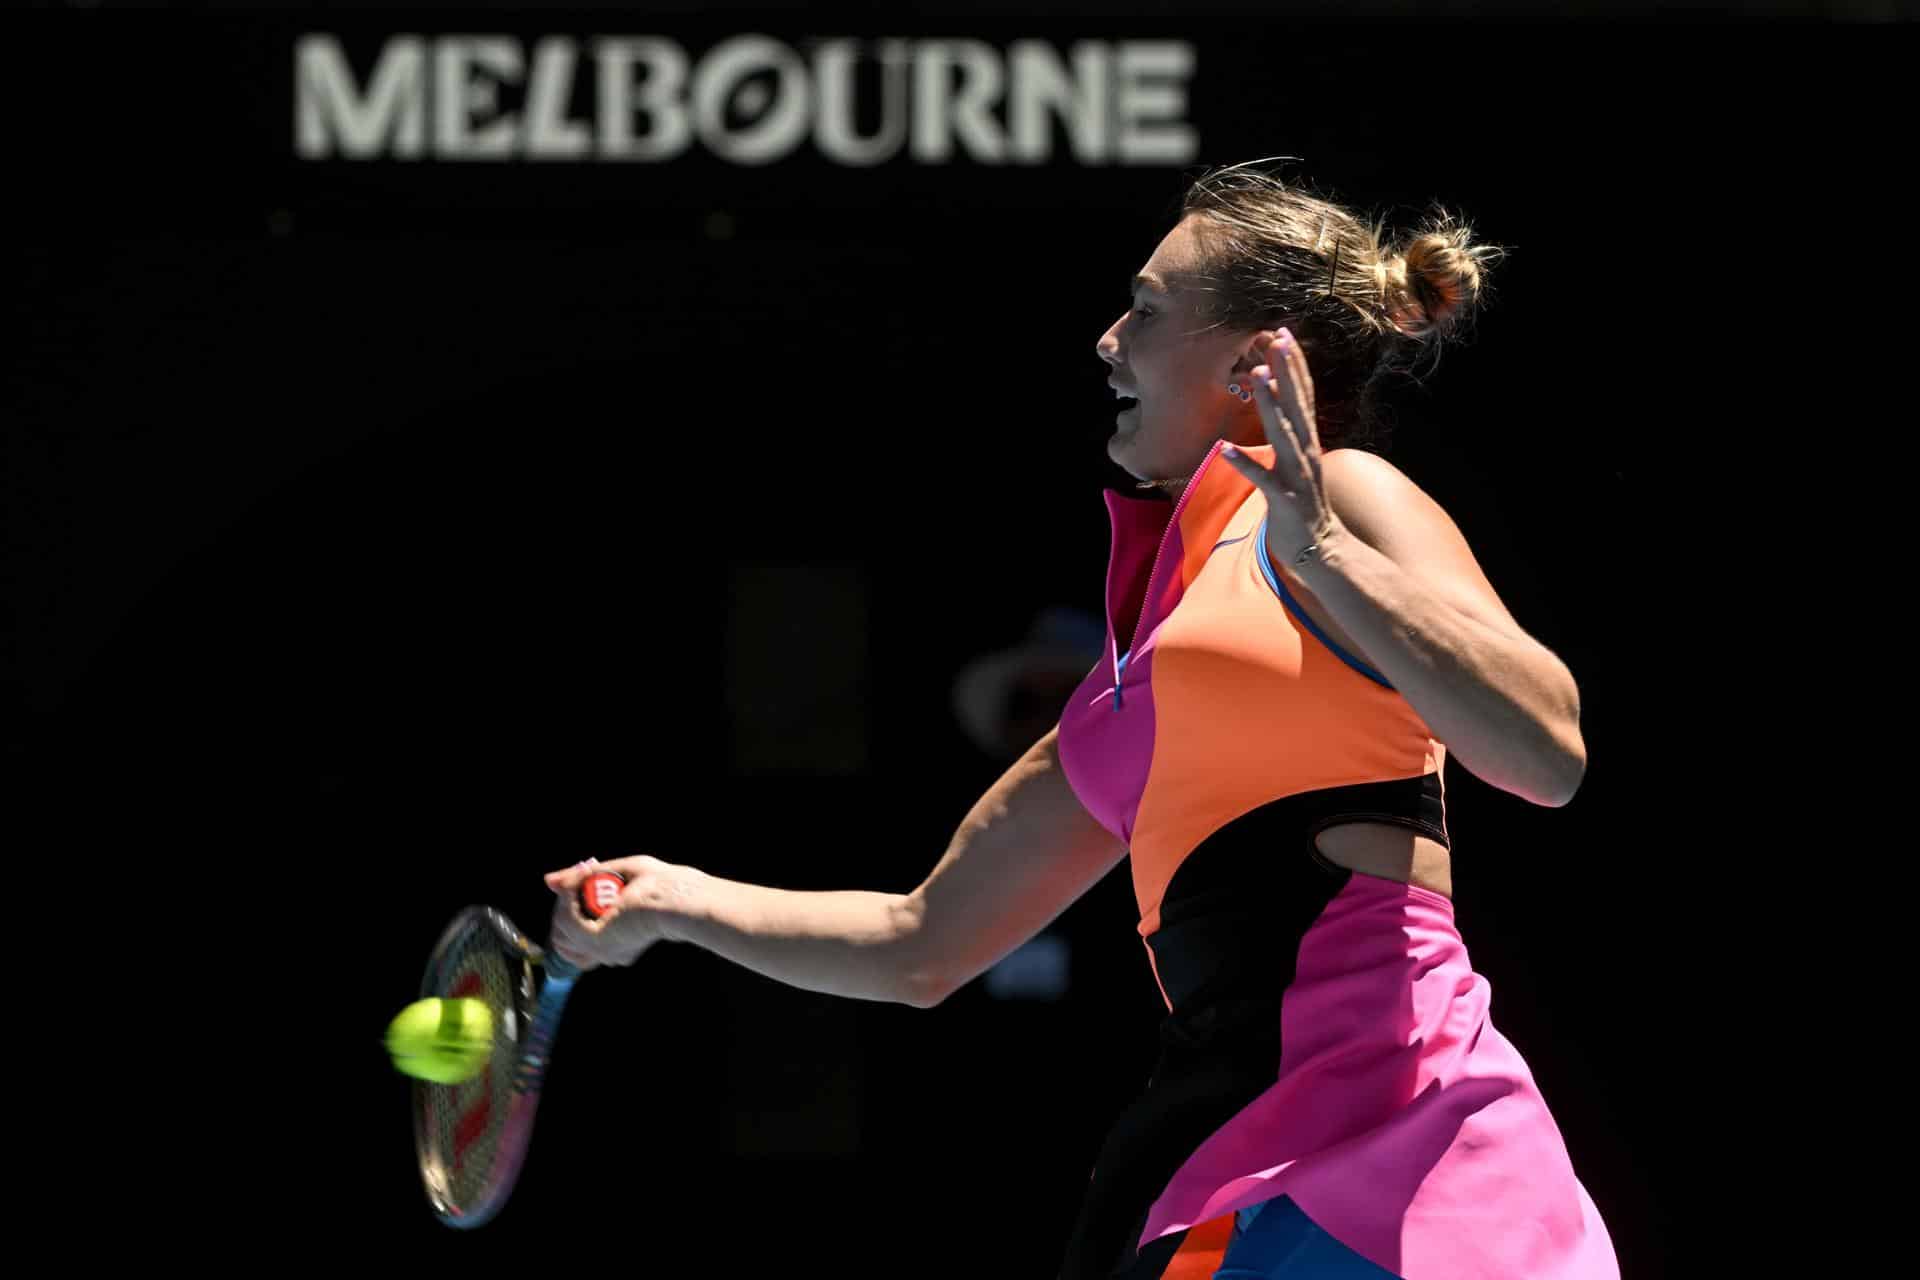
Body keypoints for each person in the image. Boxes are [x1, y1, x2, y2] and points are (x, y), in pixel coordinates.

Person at [543, 160, 1619, 1279]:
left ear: (1258, 358)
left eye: (1148, 310)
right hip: (1235, 1156)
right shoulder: (1131, 676)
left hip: (1418, 1159)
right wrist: (674, 901)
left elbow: (1544, 749)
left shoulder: (1342, 499)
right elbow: (922, 942)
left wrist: (1330, 557)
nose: (1109, 339)